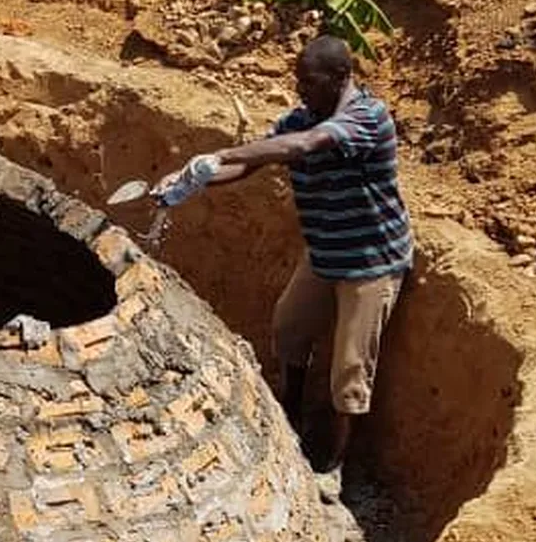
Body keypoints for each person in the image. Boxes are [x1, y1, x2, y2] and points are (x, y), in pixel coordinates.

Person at [154, 35, 412, 501]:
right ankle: (288, 421)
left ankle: (333, 465)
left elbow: (304, 147)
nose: (300, 91)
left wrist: (224, 154)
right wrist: (196, 181)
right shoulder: (300, 118)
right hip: (325, 253)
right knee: (289, 328)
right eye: (297, 81)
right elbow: (258, 162)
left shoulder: (366, 118)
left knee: (350, 370)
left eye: (309, 82)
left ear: (341, 78)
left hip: (371, 262)